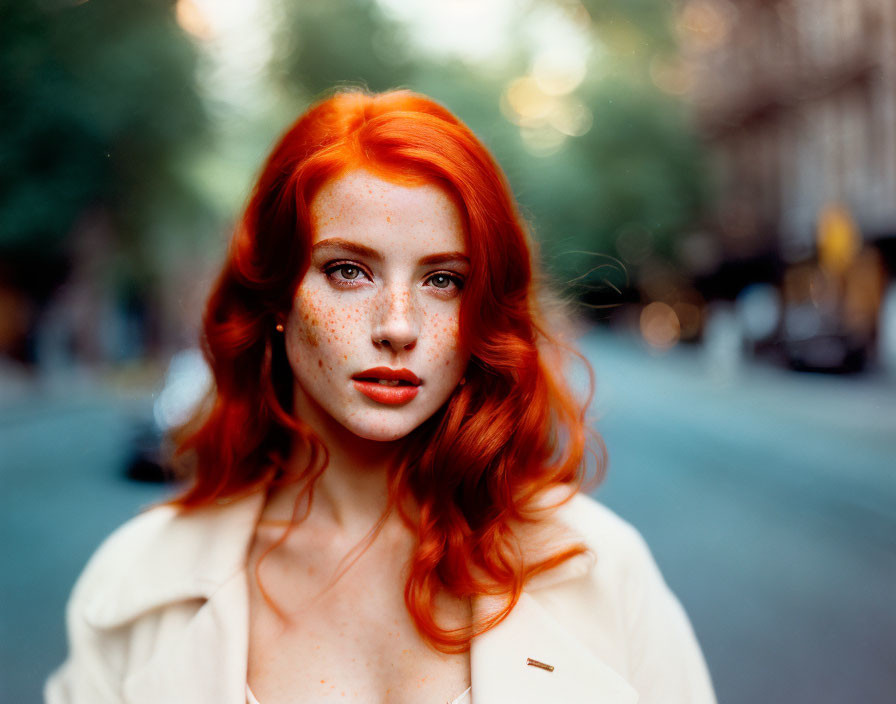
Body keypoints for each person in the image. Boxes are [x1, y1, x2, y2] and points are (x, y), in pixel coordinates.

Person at [45, 89, 716, 704]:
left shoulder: (603, 571)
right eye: (348, 271)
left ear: (483, 311)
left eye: (443, 281)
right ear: (279, 294)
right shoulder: (135, 585)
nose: (397, 325)